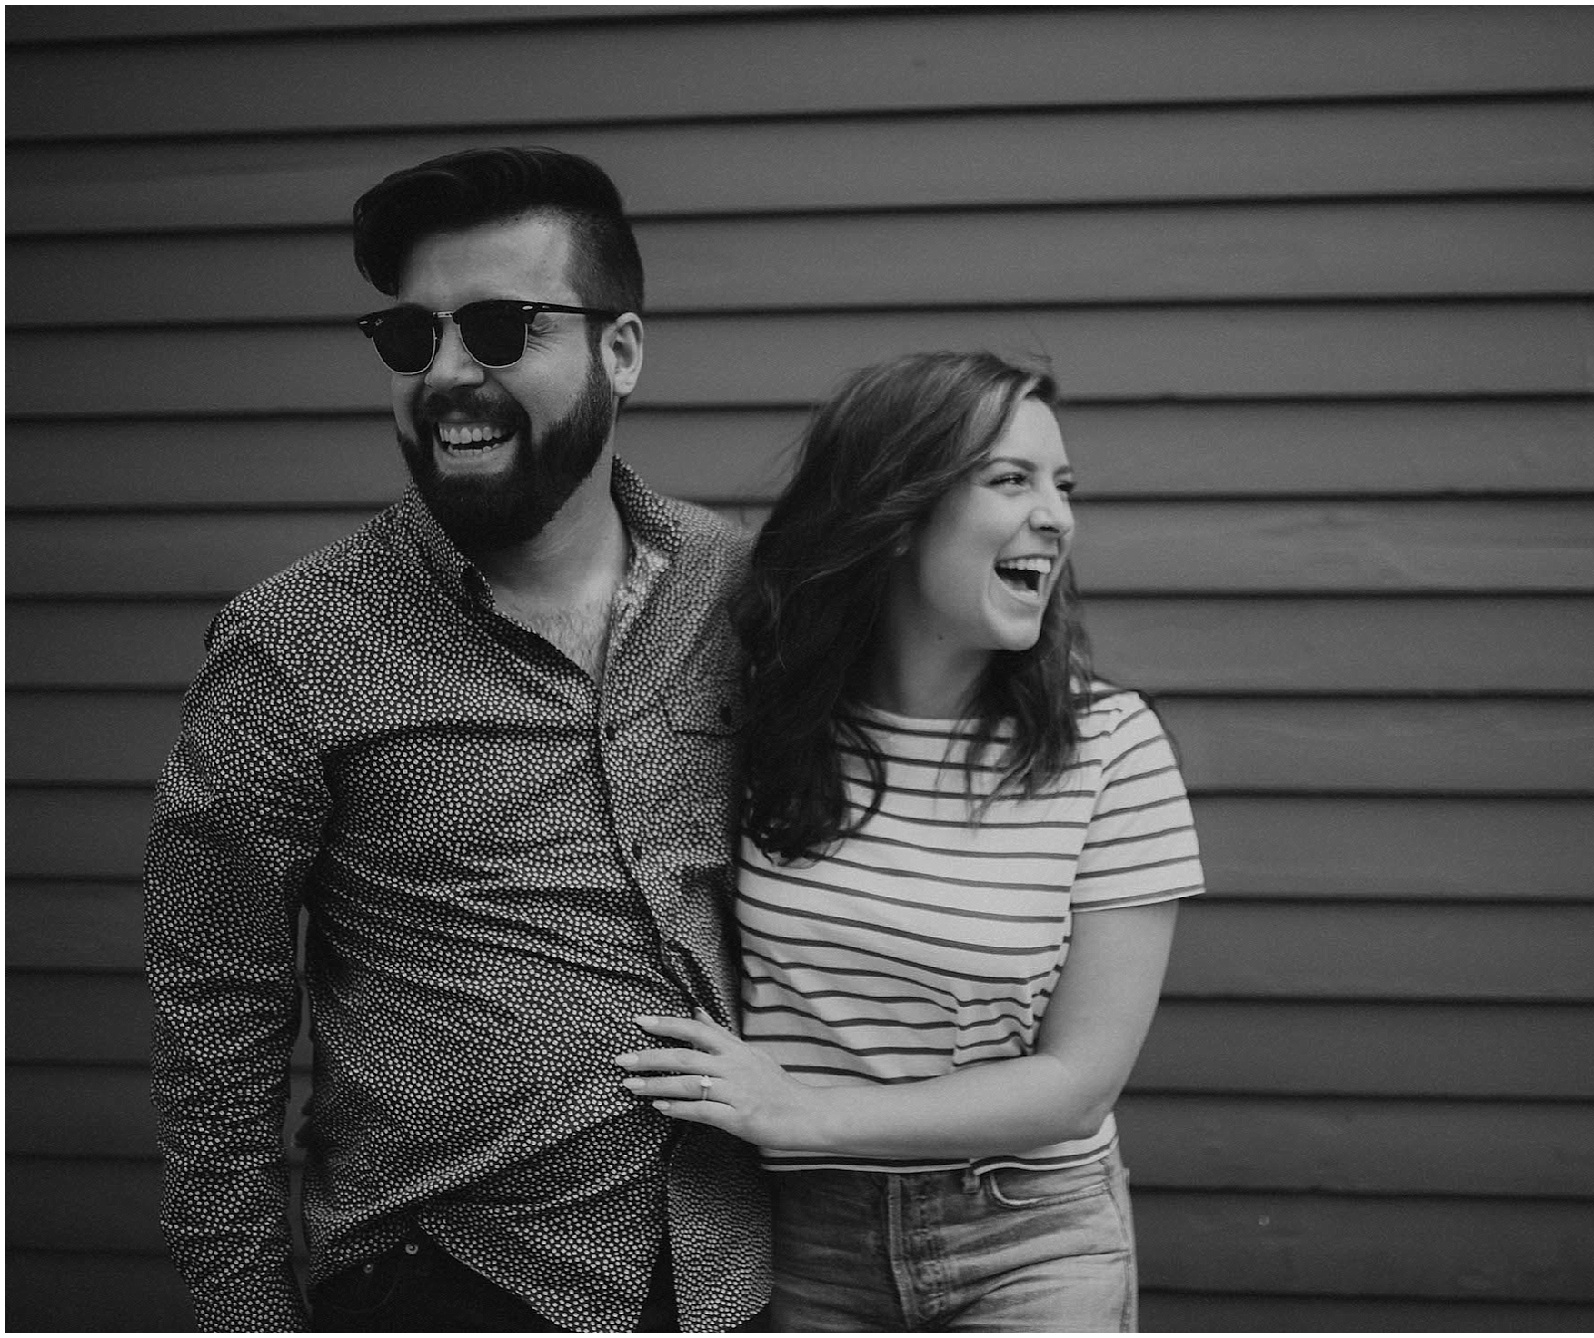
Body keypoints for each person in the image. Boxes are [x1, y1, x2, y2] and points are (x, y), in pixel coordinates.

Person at [143, 147, 768, 1332]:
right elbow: (213, 1017)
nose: (445, 374)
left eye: (498, 328)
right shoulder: (294, 642)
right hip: (448, 1278)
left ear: (621, 351)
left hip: (731, 1278)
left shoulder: (739, 592)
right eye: (409, 337)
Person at [614, 351, 1204, 1331]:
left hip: (1028, 1239)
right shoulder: (759, 725)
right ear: (895, 512)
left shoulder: (1110, 748)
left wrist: (803, 1112)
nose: (1056, 517)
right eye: (1010, 479)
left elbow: (1077, 1083)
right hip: (803, 1240)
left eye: (1062, 486)